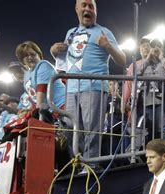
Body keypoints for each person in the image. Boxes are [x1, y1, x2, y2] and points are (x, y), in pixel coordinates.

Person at [50, 0, 126, 160]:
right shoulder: (71, 32)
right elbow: (63, 62)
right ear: (77, 9)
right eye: (84, 5)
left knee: (92, 129)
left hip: (94, 87)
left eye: (91, 6)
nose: (87, 9)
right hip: (71, 89)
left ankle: (90, 164)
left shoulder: (105, 32)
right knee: (70, 128)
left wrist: (108, 47)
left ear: (96, 11)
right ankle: (78, 162)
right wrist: (53, 52)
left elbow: (122, 60)